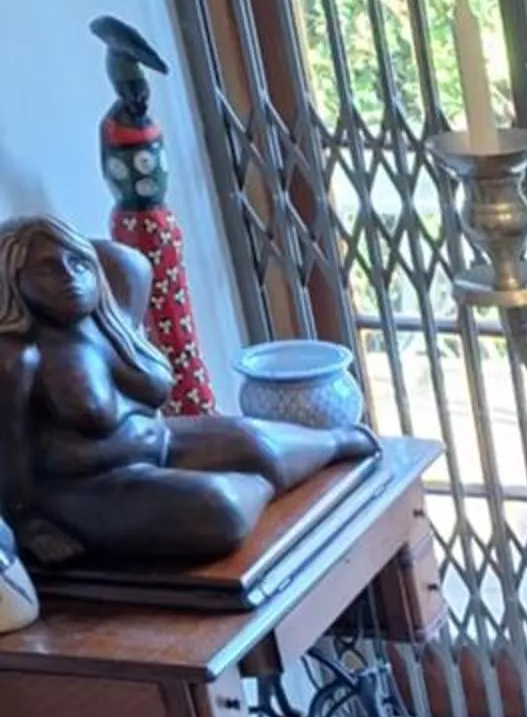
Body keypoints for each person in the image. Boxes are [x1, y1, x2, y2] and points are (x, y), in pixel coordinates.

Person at [0, 213, 374, 570]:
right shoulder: (18, 357)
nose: (70, 277)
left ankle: (331, 444)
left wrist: (75, 246)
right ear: (12, 280)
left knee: (259, 444)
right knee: (217, 509)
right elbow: (8, 455)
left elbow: (131, 263)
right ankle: (261, 486)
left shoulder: (108, 320)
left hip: (161, 442)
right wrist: (31, 528)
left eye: (78, 263)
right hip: (91, 485)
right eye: (48, 269)